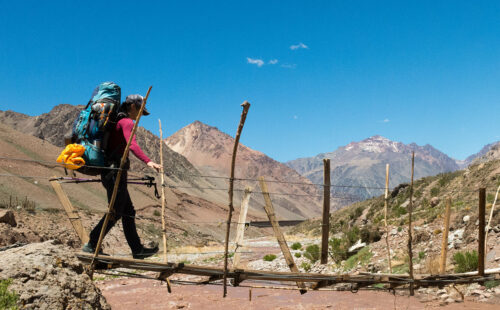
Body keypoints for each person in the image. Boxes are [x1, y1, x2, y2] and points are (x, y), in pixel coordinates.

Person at [82, 94, 162, 259]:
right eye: (140, 110)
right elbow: (131, 144)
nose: (140, 114)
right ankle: (92, 243)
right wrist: (148, 162)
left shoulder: (117, 122)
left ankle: (137, 250)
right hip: (114, 171)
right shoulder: (126, 122)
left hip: (111, 170)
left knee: (127, 211)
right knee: (117, 211)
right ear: (132, 106)